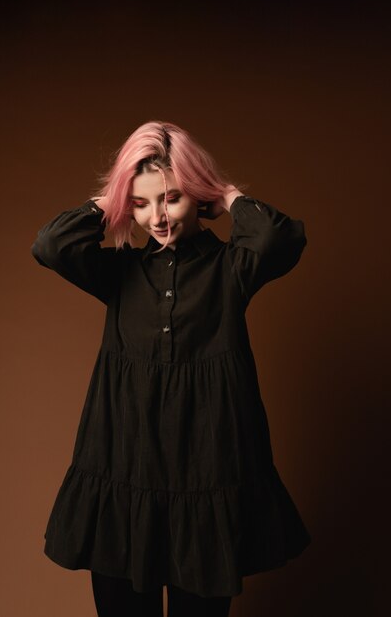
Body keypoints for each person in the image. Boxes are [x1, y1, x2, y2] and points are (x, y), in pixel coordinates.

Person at [31, 120, 311, 616]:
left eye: (172, 198)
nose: (157, 218)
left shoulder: (230, 270)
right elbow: (51, 246)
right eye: (140, 204)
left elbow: (276, 238)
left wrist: (223, 193)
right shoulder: (118, 273)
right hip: (122, 466)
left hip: (206, 471)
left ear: (197, 197)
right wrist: (112, 197)